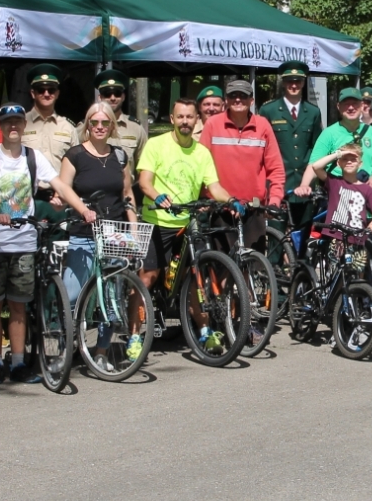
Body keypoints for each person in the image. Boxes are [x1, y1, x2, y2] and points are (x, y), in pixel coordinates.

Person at [137, 97, 239, 353]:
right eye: (180, 117)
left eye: (189, 117)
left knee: (195, 277)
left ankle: (204, 332)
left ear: (196, 120)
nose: (185, 121)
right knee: (147, 278)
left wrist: (231, 200)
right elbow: (144, 181)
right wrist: (157, 197)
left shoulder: (201, 152)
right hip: (158, 221)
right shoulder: (156, 144)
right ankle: (134, 337)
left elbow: (214, 186)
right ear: (172, 119)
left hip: (187, 223)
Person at [0, 104, 64, 384]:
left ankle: (17, 362)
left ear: (25, 125)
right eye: (7, 122)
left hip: (25, 244)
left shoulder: (33, 157)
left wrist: (81, 208)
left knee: (19, 306)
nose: (12, 126)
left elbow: (59, 184)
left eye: (17, 122)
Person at [59, 102, 142, 356]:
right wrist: (83, 210)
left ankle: (102, 353)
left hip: (114, 233)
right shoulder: (75, 155)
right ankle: (67, 345)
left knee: (112, 298)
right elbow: (63, 188)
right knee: (71, 296)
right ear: (87, 125)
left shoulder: (120, 156)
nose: (99, 126)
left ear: (112, 126)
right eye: (94, 122)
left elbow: (127, 194)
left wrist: (133, 227)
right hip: (83, 233)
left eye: (105, 122)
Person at [200, 78, 285, 249]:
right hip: (220, 208)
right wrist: (203, 197)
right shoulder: (213, 124)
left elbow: (276, 169)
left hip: (253, 208)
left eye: (243, 96)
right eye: (233, 96)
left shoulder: (262, 125)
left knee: (252, 262)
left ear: (251, 100)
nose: (238, 99)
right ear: (226, 100)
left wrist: (274, 200)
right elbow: (200, 165)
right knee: (222, 263)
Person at [294, 88, 372, 199]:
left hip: (366, 194)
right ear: (338, 107)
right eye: (346, 104)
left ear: (361, 105)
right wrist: (304, 185)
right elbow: (314, 164)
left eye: (354, 103)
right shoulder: (329, 133)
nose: (351, 107)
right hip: (338, 195)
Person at [259, 60, 324, 215]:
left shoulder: (313, 112)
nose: (294, 85)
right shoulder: (269, 110)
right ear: (283, 83)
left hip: (305, 184)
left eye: (298, 81)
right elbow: (262, 149)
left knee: (304, 228)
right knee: (276, 227)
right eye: (289, 81)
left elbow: (317, 148)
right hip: (278, 184)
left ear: (303, 83)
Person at [309, 140, 372, 235]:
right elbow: (316, 166)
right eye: (345, 159)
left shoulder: (367, 189)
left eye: (353, 159)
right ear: (338, 163)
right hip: (333, 236)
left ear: (360, 164)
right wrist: (339, 154)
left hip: (357, 238)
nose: (349, 162)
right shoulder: (334, 182)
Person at [25, 63, 78, 162]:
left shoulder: (68, 127)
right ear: (33, 93)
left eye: (51, 90)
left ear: (57, 94)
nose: (46, 94)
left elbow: (76, 163)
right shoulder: (20, 123)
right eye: (41, 90)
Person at [91, 69, 147, 155]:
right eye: (107, 94)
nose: (113, 98)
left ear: (123, 97)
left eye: (117, 93)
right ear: (100, 98)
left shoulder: (135, 128)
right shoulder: (88, 126)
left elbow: (143, 160)